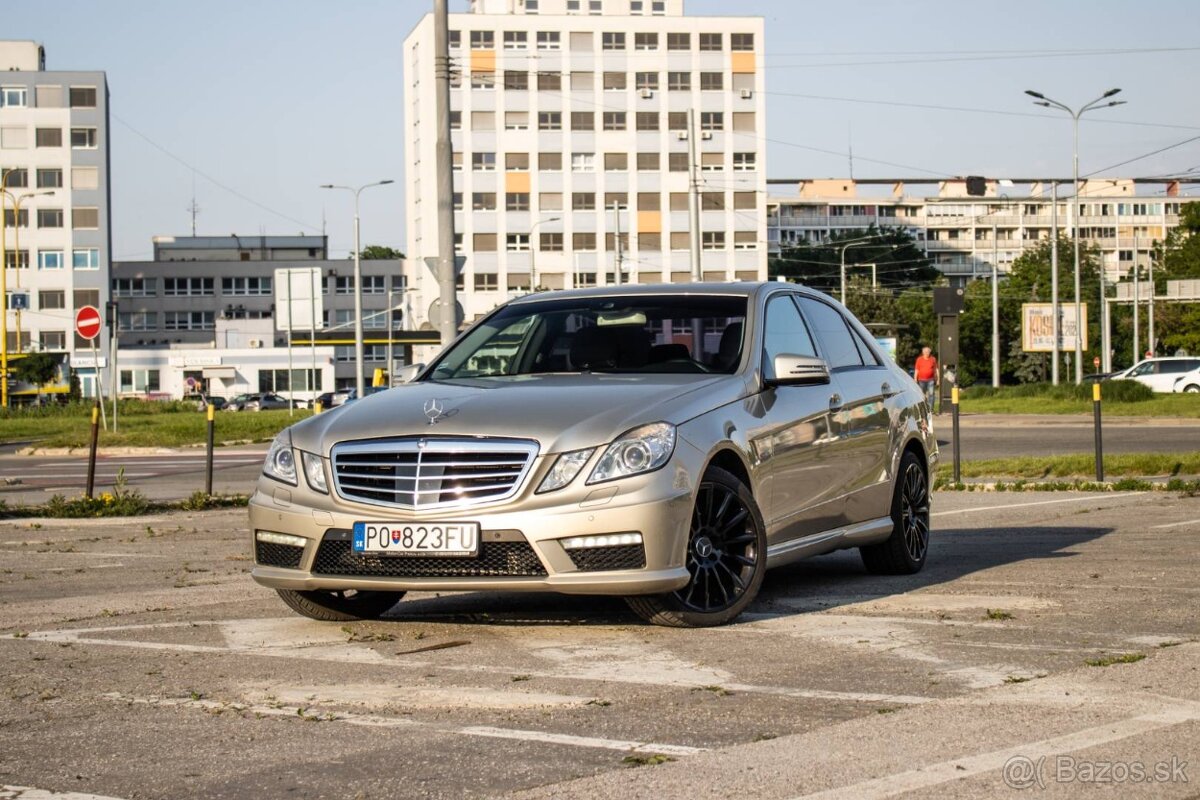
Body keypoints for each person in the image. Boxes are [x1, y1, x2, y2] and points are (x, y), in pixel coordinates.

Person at [914, 346, 938, 412]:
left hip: (931, 379)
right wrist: (915, 378)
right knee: (922, 395)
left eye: (928, 352)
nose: (927, 353)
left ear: (930, 352)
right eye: (925, 352)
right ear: (923, 352)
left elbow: (935, 369)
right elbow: (917, 369)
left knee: (931, 394)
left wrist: (937, 379)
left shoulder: (933, 359)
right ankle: (922, 409)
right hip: (921, 380)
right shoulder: (919, 359)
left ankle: (931, 409)